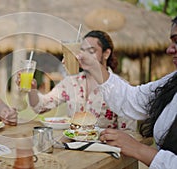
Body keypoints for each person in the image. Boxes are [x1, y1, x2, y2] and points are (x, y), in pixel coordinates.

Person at [76, 17, 177, 168]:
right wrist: (93, 65)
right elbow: (134, 99)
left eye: (176, 41)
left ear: (107, 53)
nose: (169, 49)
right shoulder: (172, 82)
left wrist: (138, 149)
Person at [18, 30, 137, 131]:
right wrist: (32, 90)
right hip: (72, 149)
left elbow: (129, 133)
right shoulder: (71, 82)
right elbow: (41, 107)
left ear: (106, 54)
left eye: (91, 51)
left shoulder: (120, 88)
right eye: (82, 51)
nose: (84, 56)